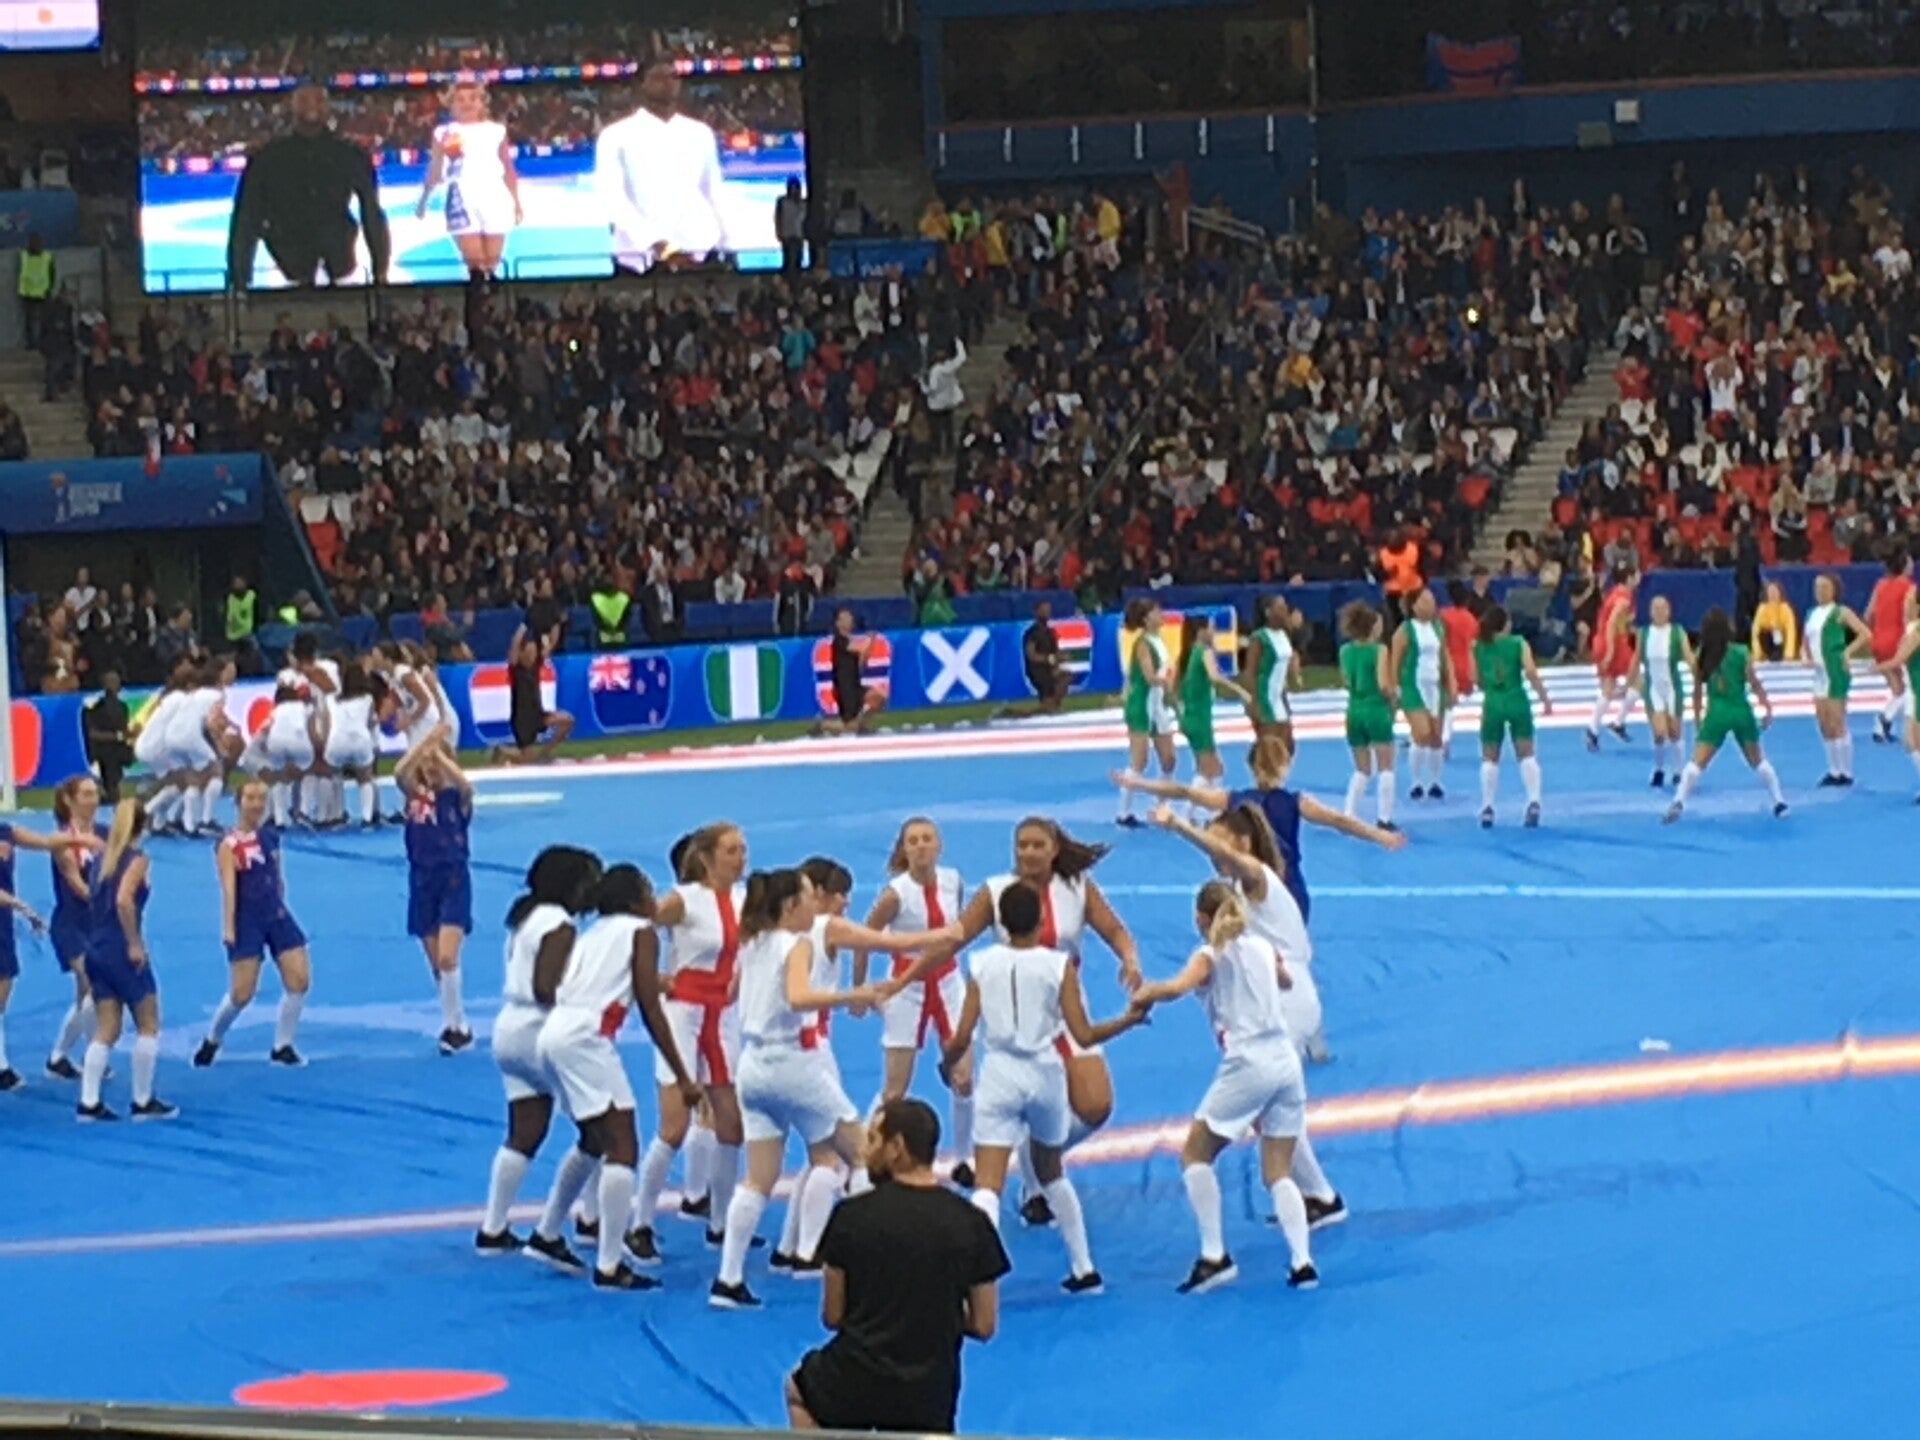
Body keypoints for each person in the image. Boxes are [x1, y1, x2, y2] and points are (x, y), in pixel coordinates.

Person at [905, 818, 1141, 1227]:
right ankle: (1036, 1188)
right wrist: (904, 978)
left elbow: (1114, 929)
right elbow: (953, 940)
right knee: (1025, 1098)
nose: (1028, 852)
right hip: (1019, 1019)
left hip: (1067, 1010)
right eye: (1022, 845)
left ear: (1054, 849)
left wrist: (1130, 959)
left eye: (1037, 845)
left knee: (1095, 1106)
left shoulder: (1076, 887)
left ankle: (1036, 1155)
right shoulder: (996, 891)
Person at [938, 882, 1142, 1295]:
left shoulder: (981, 964)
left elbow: (962, 1034)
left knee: (988, 1186)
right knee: (1051, 1172)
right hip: (1044, 1072)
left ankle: (975, 1280)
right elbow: (1083, 1034)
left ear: (1001, 922)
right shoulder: (1058, 966)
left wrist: (949, 1064)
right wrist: (1128, 1020)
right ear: (1043, 919)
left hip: (1000, 1072)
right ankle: (1084, 1269)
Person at [1130, 880, 1327, 1293]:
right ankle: (1302, 1262)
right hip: (1285, 1062)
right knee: (1278, 1170)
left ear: (1200, 919)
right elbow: (1285, 981)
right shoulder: (1262, 947)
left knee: (1195, 1154)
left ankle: (1214, 1255)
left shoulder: (1210, 955)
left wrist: (1146, 993)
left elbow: (1178, 987)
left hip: (1248, 1063)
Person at [711, 868, 886, 1309]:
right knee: (861, 1153)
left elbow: (732, 991)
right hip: (791, 1061)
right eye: (809, 897)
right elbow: (799, 999)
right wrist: (852, 996)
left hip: (752, 1066)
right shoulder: (796, 944)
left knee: (758, 1178)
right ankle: (874, 1265)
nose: (815, 905)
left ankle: (728, 1279)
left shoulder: (753, 942)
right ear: (791, 905)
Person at [785, 1099, 1009, 1435]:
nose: (866, 1151)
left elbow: (832, 1316)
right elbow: (984, 1324)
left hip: (855, 1379)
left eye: (873, 1140)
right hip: (929, 1391)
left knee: (797, 1390)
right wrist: (934, 1313)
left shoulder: (850, 1217)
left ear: (897, 1147)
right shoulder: (973, 1224)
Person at [537, 863, 703, 1289]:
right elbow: (649, 1008)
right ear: (635, 900)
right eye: (648, 890)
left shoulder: (596, 932)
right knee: (622, 1146)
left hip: (558, 1031)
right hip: (587, 1038)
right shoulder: (641, 931)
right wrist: (683, 1075)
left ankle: (548, 1232)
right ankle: (609, 1263)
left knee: (593, 1139)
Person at [475, 846, 606, 1261]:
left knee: (525, 1131)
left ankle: (493, 1227)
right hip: (542, 1030)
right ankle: (579, 1220)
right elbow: (547, 988)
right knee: (602, 1127)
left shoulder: (525, 917)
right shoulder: (560, 925)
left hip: (509, 1029)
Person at [626, 823, 750, 1261]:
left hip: (724, 1015)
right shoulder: (685, 899)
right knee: (674, 1127)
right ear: (707, 858)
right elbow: (636, 929)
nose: (741, 858)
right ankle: (639, 1223)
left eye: (743, 849)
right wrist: (653, 978)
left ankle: (720, 1222)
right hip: (683, 1015)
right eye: (732, 850)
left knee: (731, 1124)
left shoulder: (745, 899)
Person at [854, 819, 972, 1182]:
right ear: (904, 850)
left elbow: (955, 933)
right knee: (894, 1091)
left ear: (939, 845)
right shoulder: (896, 895)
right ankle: (862, 1159)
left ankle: (964, 1159)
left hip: (949, 982)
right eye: (913, 841)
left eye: (926, 839)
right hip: (907, 989)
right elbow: (863, 939)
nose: (921, 846)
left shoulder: (953, 881)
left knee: (964, 1079)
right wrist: (860, 989)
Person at [191, 779, 313, 1068]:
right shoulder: (228, 844)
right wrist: (229, 927)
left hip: (275, 913)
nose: (257, 805)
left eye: (261, 798)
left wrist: (281, 907)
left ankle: (283, 1045)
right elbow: (229, 888)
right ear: (238, 803)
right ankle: (213, 1039)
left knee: (299, 979)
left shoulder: (270, 837)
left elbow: (278, 877)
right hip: (247, 919)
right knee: (242, 993)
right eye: (250, 798)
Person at [227, 84, 392, 289]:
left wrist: (380, 271)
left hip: (340, 263)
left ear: (328, 106)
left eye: (319, 99)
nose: (312, 105)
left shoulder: (351, 154)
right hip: (288, 267)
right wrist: (240, 278)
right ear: (292, 105)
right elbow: (246, 219)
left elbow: (372, 214)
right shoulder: (267, 158)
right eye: (304, 99)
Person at [77, 801, 176, 1121]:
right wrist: (134, 942)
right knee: (148, 1023)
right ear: (142, 826)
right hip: (121, 947)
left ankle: (89, 1101)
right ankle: (142, 1099)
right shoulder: (137, 860)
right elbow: (124, 900)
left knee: (107, 1028)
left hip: (96, 947)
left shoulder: (100, 860)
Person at [595, 55, 733, 275]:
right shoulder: (616, 136)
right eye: (658, 78)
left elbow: (713, 191)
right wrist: (657, 244)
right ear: (641, 84)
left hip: (700, 250)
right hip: (640, 259)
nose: (668, 83)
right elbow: (614, 199)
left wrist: (728, 243)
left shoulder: (699, 133)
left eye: (673, 77)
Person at [0, 818, 99, 1092]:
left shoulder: (6, 831)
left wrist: (78, 840)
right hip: (6, 909)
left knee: (5, 984)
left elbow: (44, 842)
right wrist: (18, 904)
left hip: (3, 921)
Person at [1665, 607, 1789, 824]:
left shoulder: (1701, 656)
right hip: (1740, 709)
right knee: (1758, 760)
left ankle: (1679, 800)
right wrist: (1766, 706)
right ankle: (1779, 801)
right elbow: (1754, 683)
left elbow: (1697, 693)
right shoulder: (1741, 652)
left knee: (1697, 763)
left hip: (1717, 712)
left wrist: (1698, 720)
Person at [396, 738, 475, 1053]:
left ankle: (455, 1028)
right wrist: (423, 748)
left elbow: (466, 786)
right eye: (426, 764)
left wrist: (440, 756)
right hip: (421, 882)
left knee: (447, 957)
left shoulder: (456, 799)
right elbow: (400, 772)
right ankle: (456, 1020)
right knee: (437, 965)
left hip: (453, 879)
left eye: (437, 763)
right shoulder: (415, 798)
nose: (431, 768)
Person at [415, 80, 521, 280]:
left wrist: (516, 202)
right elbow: (435, 169)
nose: (467, 104)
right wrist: (424, 200)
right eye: (460, 99)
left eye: (473, 98)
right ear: (451, 104)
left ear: (482, 102)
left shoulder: (496, 130)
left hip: (495, 197)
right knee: (476, 266)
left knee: (491, 264)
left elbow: (508, 168)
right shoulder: (443, 133)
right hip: (461, 198)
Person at [43, 777, 109, 1080]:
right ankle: (93, 1052)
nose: (93, 800)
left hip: (99, 924)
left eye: (95, 794)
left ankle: (59, 1057)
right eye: (86, 794)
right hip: (71, 924)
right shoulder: (62, 840)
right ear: (69, 800)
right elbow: (77, 885)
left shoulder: (105, 833)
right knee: (93, 985)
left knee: (86, 995)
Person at [1473, 605, 1552, 829]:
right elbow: (1531, 671)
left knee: (1490, 756)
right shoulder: (1518, 643)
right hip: (1516, 698)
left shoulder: (1478, 647)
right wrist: (1544, 698)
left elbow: (1475, 679)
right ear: (1505, 624)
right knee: (1526, 753)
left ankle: (1488, 806)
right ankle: (1534, 801)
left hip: (1492, 702)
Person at [1802, 572, 1872, 787]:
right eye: (1817, 587)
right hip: (1819, 672)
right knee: (1824, 723)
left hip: (1835, 670)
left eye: (1825, 587)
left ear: (1834, 590)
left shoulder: (1841, 612)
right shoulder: (1811, 613)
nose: (1820, 591)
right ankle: (1834, 769)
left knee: (1837, 720)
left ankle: (1846, 772)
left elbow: (1865, 633)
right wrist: (1805, 657)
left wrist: (1847, 652)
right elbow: (1805, 641)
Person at [1176, 614, 1250, 806]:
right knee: (1214, 770)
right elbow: (1214, 676)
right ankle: (1210, 810)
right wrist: (1239, 690)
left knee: (1206, 769)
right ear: (1200, 632)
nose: (1214, 632)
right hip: (1200, 719)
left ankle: (1198, 811)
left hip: (1191, 716)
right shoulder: (1203, 651)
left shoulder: (1189, 654)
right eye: (1211, 628)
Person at [1116, 598, 1178, 827]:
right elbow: (1150, 677)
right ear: (1145, 618)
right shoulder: (1143, 644)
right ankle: (1123, 813)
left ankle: (1161, 807)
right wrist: (1168, 682)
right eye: (1156, 611)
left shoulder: (1159, 640)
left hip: (1157, 704)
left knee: (1169, 759)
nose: (1161, 614)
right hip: (1141, 704)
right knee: (1139, 761)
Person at [1391, 589, 1456, 801]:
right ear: (1414, 605)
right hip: (1413, 686)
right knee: (1422, 734)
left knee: (1436, 737)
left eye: (1432, 600)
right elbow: (1395, 661)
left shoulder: (1438, 627)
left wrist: (1451, 683)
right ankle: (1416, 782)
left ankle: (1435, 782)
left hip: (1435, 687)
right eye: (1425, 601)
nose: (1430, 604)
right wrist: (1394, 688)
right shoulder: (1405, 630)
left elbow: (1444, 657)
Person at [1338, 601, 1397, 830]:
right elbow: (1383, 683)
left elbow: (1346, 681)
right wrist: (1393, 698)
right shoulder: (1379, 650)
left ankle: (1349, 813)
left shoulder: (1345, 651)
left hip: (1354, 709)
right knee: (1386, 766)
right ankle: (1384, 817)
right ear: (1372, 627)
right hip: (1375, 709)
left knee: (1362, 769)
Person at [1633, 594, 1695, 789]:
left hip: (1673, 688)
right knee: (1659, 733)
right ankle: (1659, 769)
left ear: (1669, 611)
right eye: (1655, 609)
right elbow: (1636, 660)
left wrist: (1700, 677)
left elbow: (1689, 657)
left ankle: (1679, 771)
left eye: (1663, 609)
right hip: (1653, 689)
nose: (1659, 612)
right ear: (1650, 612)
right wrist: (1627, 684)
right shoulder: (1643, 634)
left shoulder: (1677, 632)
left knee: (1675, 731)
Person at [493, 624, 574, 766]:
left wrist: (548, 629)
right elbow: (514, 646)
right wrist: (523, 629)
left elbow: (549, 645)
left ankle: (545, 753)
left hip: (538, 713)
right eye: (529, 651)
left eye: (534, 651)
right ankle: (503, 751)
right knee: (528, 761)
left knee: (567, 721)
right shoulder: (516, 669)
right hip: (522, 720)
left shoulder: (536, 666)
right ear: (522, 653)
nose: (532, 655)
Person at [1585, 566, 1639, 751]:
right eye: (1636, 575)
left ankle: (1594, 729)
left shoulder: (1615, 593)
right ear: (1629, 578)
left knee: (1609, 689)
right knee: (1638, 682)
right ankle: (1617, 722)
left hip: (1604, 641)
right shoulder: (1623, 598)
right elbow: (1611, 623)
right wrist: (1610, 651)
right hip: (1614, 643)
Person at [1867, 547, 1914, 744]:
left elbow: (1868, 614)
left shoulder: (1880, 585)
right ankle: (1884, 719)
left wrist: (1876, 634)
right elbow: (1908, 617)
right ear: (1904, 566)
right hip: (1898, 641)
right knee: (1910, 687)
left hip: (1879, 641)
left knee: (1898, 689)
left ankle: (1883, 722)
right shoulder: (1909, 588)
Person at [1877, 587, 1920, 799]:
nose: (1904, 607)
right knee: (1910, 741)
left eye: (1909, 603)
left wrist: (1873, 668)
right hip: (1913, 689)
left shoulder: (1916, 631)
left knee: (1913, 739)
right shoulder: (1911, 629)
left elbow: (1899, 659)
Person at [1245, 595, 1300, 749]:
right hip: (1264, 698)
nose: (1286, 610)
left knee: (1287, 746)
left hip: (1279, 696)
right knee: (1271, 748)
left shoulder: (1283, 634)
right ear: (1268, 612)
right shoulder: (1259, 638)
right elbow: (1250, 672)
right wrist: (1254, 702)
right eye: (1280, 608)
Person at [820, 609, 881, 737]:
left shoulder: (850, 640)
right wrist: (869, 640)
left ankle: (861, 726)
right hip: (845, 688)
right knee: (848, 726)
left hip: (855, 683)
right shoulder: (839, 640)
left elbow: (862, 661)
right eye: (845, 617)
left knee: (879, 696)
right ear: (838, 623)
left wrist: (870, 643)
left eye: (849, 617)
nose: (849, 620)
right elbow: (859, 648)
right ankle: (824, 725)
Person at [83, 671, 132, 803]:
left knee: (114, 778)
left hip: (117, 752)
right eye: (112, 682)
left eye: (116, 682)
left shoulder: (122, 707)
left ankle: (112, 797)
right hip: (102, 754)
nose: (115, 685)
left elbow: (124, 731)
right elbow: (92, 733)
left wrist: (129, 735)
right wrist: (117, 736)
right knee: (110, 776)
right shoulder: (95, 708)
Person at [1022, 601, 1069, 713]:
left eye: (1048, 610)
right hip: (1037, 670)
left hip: (1049, 667)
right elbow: (1031, 655)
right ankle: (1047, 706)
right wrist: (1050, 659)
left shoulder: (1050, 632)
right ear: (1037, 612)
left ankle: (1054, 705)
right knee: (1047, 684)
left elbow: (1056, 652)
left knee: (1064, 676)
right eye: (1043, 610)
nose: (1047, 613)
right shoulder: (1032, 633)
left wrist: (1060, 659)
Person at [1751, 580, 1798, 662]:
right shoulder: (1762, 608)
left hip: (1781, 641)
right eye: (1770, 592)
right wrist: (1757, 653)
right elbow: (1755, 632)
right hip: (1766, 640)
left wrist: (1789, 653)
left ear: (1780, 593)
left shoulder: (1786, 609)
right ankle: (1764, 655)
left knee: (1777, 632)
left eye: (1775, 591)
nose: (1772, 594)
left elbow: (1791, 631)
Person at [775, 177, 807, 277]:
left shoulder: (803, 202)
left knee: (798, 259)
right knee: (787, 259)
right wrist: (778, 231)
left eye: (796, 188)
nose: (794, 190)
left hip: (798, 234)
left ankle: (797, 277)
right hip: (787, 234)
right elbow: (778, 217)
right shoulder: (782, 201)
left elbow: (804, 218)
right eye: (792, 188)